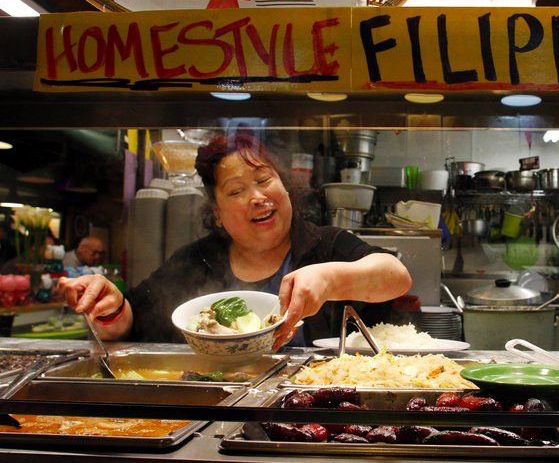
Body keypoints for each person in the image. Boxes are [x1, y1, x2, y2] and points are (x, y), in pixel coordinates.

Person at [56, 133, 411, 350]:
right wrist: (110, 304)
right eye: (237, 191)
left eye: (264, 179)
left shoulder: (326, 245)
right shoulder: (197, 261)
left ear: (284, 186)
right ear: (218, 213)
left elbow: (395, 276)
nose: (258, 197)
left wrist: (330, 278)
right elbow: (132, 321)